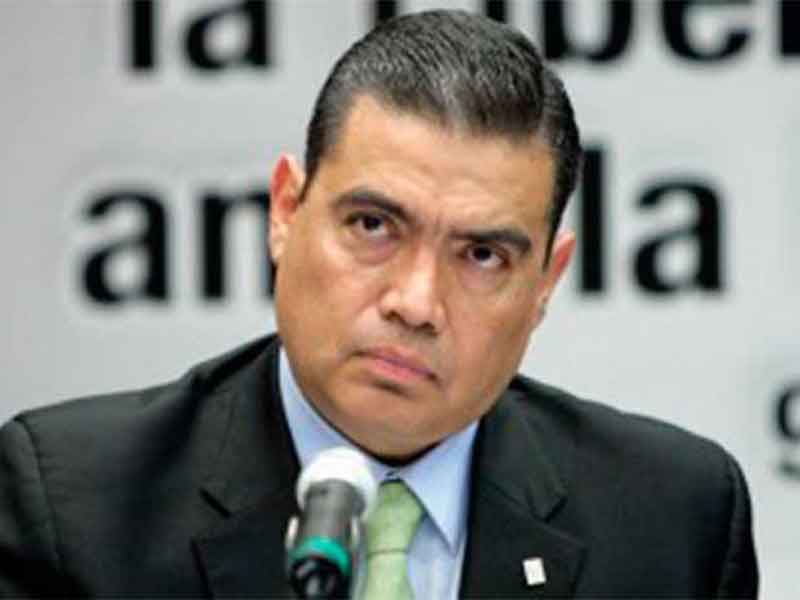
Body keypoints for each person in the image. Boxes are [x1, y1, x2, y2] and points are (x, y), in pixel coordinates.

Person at [0, 10, 757, 599]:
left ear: (545, 284)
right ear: (285, 212)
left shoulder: (673, 522)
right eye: (373, 226)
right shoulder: (75, 510)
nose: (416, 303)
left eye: (482, 256)